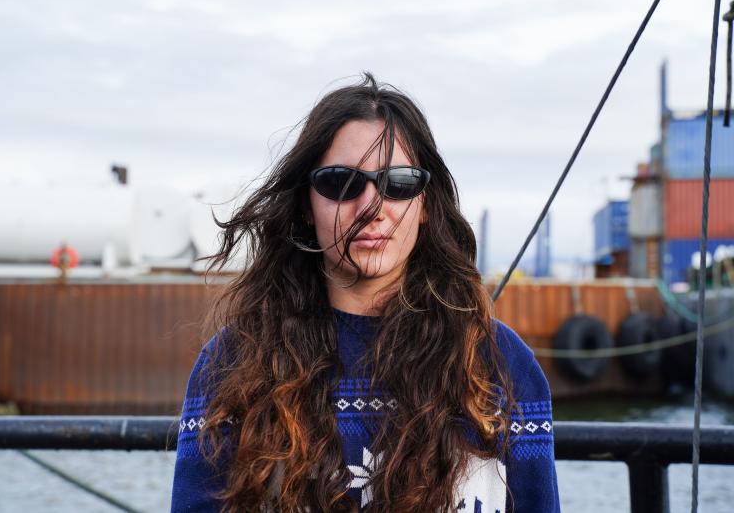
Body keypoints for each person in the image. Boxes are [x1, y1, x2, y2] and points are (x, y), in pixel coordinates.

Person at [171, 73, 560, 512]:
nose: (371, 208)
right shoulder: (233, 363)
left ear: (427, 204)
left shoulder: (502, 364)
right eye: (341, 183)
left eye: (399, 183)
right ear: (305, 203)